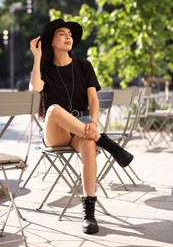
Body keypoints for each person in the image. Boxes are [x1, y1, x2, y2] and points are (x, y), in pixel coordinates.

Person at [29, 18, 134, 234]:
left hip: (83, 127)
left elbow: (93, 101)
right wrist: (37, 57)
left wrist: (93, 123)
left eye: (70, 33)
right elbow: (35, 87)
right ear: (50, 41)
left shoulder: (84, 67)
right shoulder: (45, 70)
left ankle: (89, 212)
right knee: (54, 109)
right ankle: (106, 143)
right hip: (55, 132)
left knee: (87, 143)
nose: (68, 36)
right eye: (62, 33)